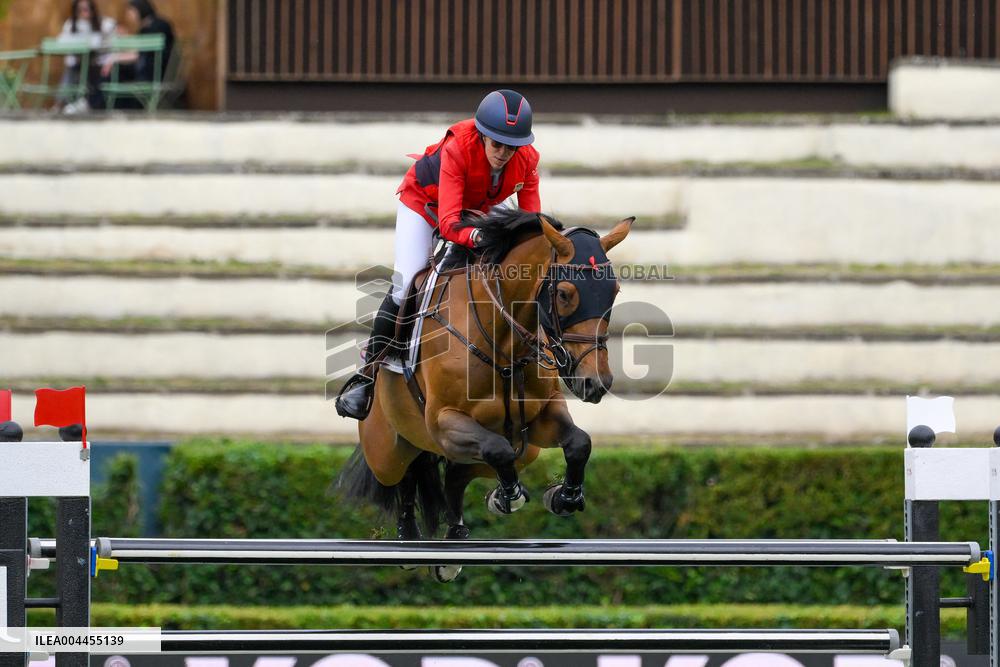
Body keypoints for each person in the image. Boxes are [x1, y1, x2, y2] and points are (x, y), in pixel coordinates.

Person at [335, 89, 542, 420]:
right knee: (407, 279)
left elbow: (532, 223)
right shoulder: (458, 148)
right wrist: (478, 235)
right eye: (497, 145)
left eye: (511, 147)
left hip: (478, 207)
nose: (504, 154)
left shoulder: (529, 159)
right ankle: (367, 374)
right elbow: (448, 224)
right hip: (425, 206)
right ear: (482, 136)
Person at [96, 0, 175, 109]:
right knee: (112, 72)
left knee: (113, 72)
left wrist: (114, 58)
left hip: (154, 72)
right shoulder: (145, 28)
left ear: (140, 9)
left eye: (131, 11)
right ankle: (107, 107)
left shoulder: (158, 25)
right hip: (144, 70)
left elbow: (141, 53)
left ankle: (101, 107)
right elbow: (138, 51)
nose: (129, 15)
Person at [57, 0, 116, 113]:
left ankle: (84, 103)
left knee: (92, 72)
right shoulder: (71, 24)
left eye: (87, 9)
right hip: (78, 62)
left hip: (100, 63)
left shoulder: (104, 24)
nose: (84, 13)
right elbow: (63, 43)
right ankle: (63, 103)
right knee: (72, 70)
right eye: (80, 10)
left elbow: (111, 45)